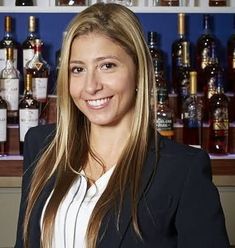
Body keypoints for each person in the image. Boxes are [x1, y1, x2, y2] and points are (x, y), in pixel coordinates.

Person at [15, 3, 230, 248]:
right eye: (78, 69)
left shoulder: (183, 171)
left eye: (107, 66)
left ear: (139, 71)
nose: (90, 86)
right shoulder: (42, 145)